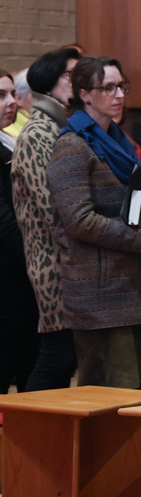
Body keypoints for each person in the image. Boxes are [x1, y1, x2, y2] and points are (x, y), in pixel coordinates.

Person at [46, 56, 141, 388]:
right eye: (109, 87)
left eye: (122, 86)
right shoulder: (71, 146)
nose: (120, 95)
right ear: (85, 94)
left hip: (131, 284)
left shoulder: (119, 140)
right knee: (109, 393)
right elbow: (79, 220)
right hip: (99, 292)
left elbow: (136, 196)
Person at [12, 46, 82, 391]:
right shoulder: (38, 132)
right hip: (52, 262)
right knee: (58, 356)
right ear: (51, 81)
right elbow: (53, 205)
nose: (80, 82)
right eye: (72, 75)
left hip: (71, 257)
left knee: (65, 357)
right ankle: (27, 423)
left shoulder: (62, 126)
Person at [0, 69, 39, 393]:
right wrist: (33, 258)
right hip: (8, 271)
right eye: (1, 96)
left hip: (19, 272)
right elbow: (3, 219)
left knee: (26, 356)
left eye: (13, 94)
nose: (11, 102)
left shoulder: (8, 140)